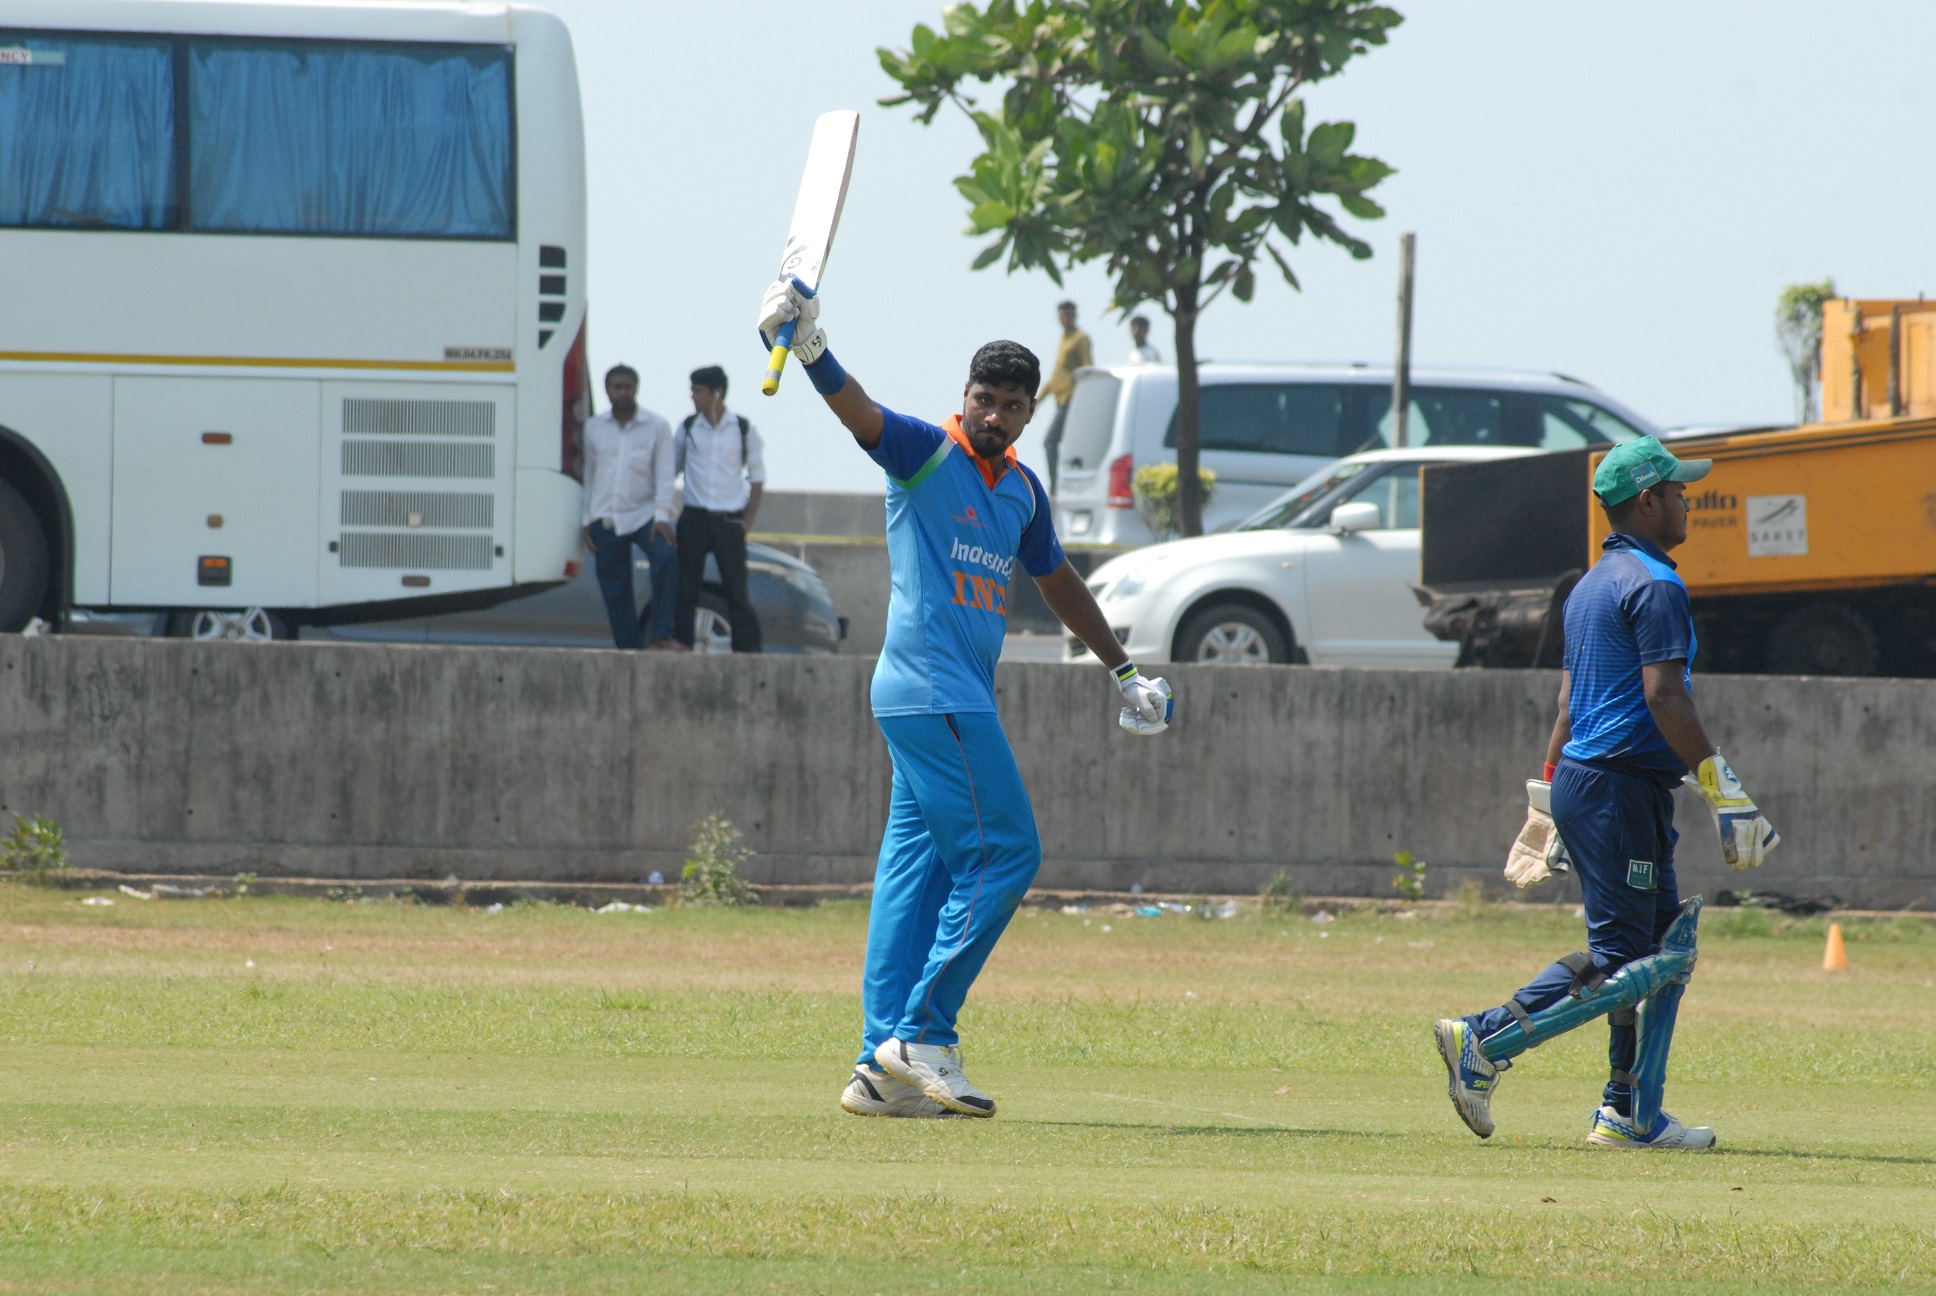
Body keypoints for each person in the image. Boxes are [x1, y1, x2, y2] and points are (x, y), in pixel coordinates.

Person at [757, 276, 1175, 1120]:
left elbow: (1058, 581)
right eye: (984, 399)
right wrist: (808, 347)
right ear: (966, 397)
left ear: (1027, 415)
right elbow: (858, 414)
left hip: (938, 701)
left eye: (1011, 406)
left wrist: (1124, 672)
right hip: (934, 694)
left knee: (914, 878)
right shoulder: (926, 452)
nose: (994, 415)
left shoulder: (1021, 491)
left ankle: (878, 1073)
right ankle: (924, 1034)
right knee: (1007, 853)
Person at [1434, 437, 1780, 1150]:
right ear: (1648, 500)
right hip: (1618, 785)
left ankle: (1628, 1112)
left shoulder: (1593, 585)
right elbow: (1664, 696)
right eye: (1679, 491)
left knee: (1661, 945)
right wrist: (1728, 791)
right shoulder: (1655, 585)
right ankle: (1486, 1039)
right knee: (1631, 957)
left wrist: (1549, 796)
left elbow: (1569, 703)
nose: (1689, 500)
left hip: (1606, 785)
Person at [581, 364, 680, 650]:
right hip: (605, 517)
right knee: (615, 589)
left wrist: (662, 515)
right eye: (616, 387)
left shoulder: (657, 426)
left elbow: (664, 473)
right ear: (607, 390)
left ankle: (661, 635)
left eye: (628, 387)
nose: (622, 392)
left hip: (645, 515)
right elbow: (589, 473)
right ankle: (630, 649)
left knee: (666, 559)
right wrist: (586, 519)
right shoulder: (593, 428)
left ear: (636, 388)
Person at [674, 365, 765, 653]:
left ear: (717, 394)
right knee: (686, 587)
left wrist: (748, 521)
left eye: (698, 391)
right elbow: (670, 470)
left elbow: (758, 477)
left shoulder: (742, 428)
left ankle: (747, 651)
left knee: (736, 589)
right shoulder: (689, 428)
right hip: (694, 516)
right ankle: (683, 644)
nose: (693, 398)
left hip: (728, 519)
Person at [1036, 300, 1091, 494]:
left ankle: (1054, 487)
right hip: (1060, 399)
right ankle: (1062, 484)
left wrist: (1085, 399)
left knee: (1050, 441)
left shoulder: (1080, 338)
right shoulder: (1063, 338)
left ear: (1075, 315)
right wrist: (1036, 401)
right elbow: (1056, 376)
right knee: (1063, 443)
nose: (1066, 318)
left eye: (1069, 314)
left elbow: (1087, 370)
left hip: (1072, 399)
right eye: (1062, 315)